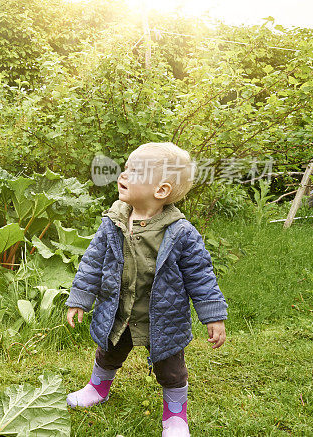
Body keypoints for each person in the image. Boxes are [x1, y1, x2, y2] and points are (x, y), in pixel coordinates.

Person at [65, 142, 227, 437]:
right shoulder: (113, 222)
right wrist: (80, 298)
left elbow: (201, 276)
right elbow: (92, 263)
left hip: (162, 318)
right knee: (108, 353)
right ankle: (97, 388)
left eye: (134, 171)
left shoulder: (181, 232)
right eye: (125, 168)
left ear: (161, 191)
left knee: (171, 370)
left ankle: (175, 416)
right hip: (119, 311)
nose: (122, 175)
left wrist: (212, 315)